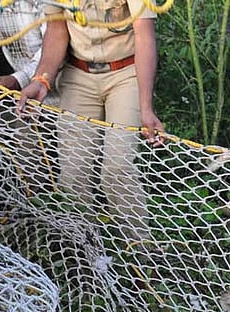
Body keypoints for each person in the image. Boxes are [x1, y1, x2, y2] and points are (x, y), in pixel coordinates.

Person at [17, 0, 163, 232]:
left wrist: (146, 107)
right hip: (78, 75)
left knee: (117, 168)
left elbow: (144, 36)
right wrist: (41, 80)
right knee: (73, 172)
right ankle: (84, 245)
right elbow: (56, 30)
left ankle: (138, 245)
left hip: (126, 74)